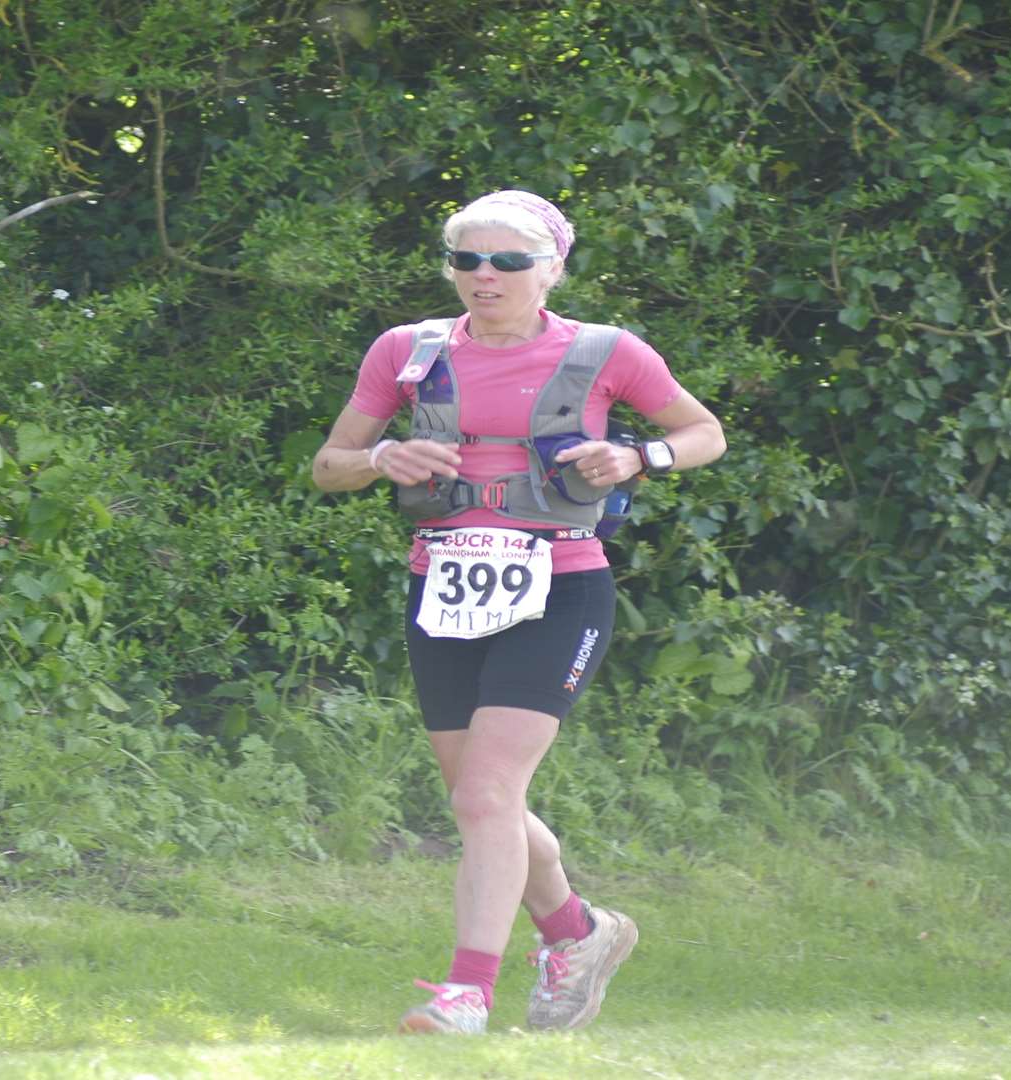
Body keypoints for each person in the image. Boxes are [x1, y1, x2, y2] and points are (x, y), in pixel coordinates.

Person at [310, 189, 726, 1035]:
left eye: (507, 262)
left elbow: (704, 431)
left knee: (488, 793)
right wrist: (384, 455)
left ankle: (467, 993)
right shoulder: (406, 350)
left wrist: (638, 454)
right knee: (479, 798)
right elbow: (330, 465)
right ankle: (578, 934)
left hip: (564, 587)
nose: (484, 277)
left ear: (552, 270)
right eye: (467, 261)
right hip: (444, 585)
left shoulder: (609, 351)